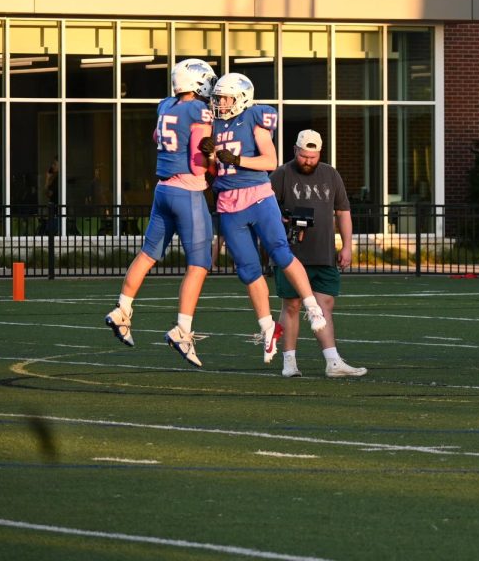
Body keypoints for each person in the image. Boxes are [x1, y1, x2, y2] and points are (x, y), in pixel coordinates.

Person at [207, 72, 328, 365]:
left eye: (225, 98)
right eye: (218, 97)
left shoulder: (253, 118)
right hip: (228, 202)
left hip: (257, 196)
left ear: (242, 98)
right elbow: (214, 169)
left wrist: (235, 159)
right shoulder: (212, 123)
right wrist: (208, 158)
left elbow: (269, 161)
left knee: (279, 252)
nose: (220, 103)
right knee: (248, 270)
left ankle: (312, 306)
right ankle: (267, 328)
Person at [104, 58, 217, 367]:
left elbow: (157, 137)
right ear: (196, 82)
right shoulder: (198, 111)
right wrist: (213, 165)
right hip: (188, 191)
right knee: (199, 264)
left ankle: (122, 309)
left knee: (148, 254)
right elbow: (198, 161)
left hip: (163, 189)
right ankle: (183, 329)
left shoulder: (166, 105)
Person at [270, 129, 366, 378]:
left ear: (319, 153)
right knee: (291, 305)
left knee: (325, 306)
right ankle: (289, 361)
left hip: (324, 252)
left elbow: (343, 211)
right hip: (291, 254)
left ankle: (333, 362)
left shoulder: (330, 174)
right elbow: (266, 207)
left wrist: (346, 246)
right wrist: (282, 218)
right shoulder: (281, 174)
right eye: (303, 156)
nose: (308, 161)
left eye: (312, 157)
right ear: (295, 151)